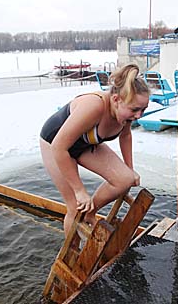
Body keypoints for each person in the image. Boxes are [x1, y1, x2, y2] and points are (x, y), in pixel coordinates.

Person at [39, 64, 150, 235]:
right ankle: (72, 256)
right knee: (76, 207)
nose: (139, 115)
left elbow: (125, 136)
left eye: (143, 109)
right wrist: (79, 190)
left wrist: (130, 168)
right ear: (115, 100)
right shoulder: (94, 106)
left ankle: (90, 212)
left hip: (83, 144)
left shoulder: (126, 116)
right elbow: (60, 147)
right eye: (135, 110)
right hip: (54, 144)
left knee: (124, 179)